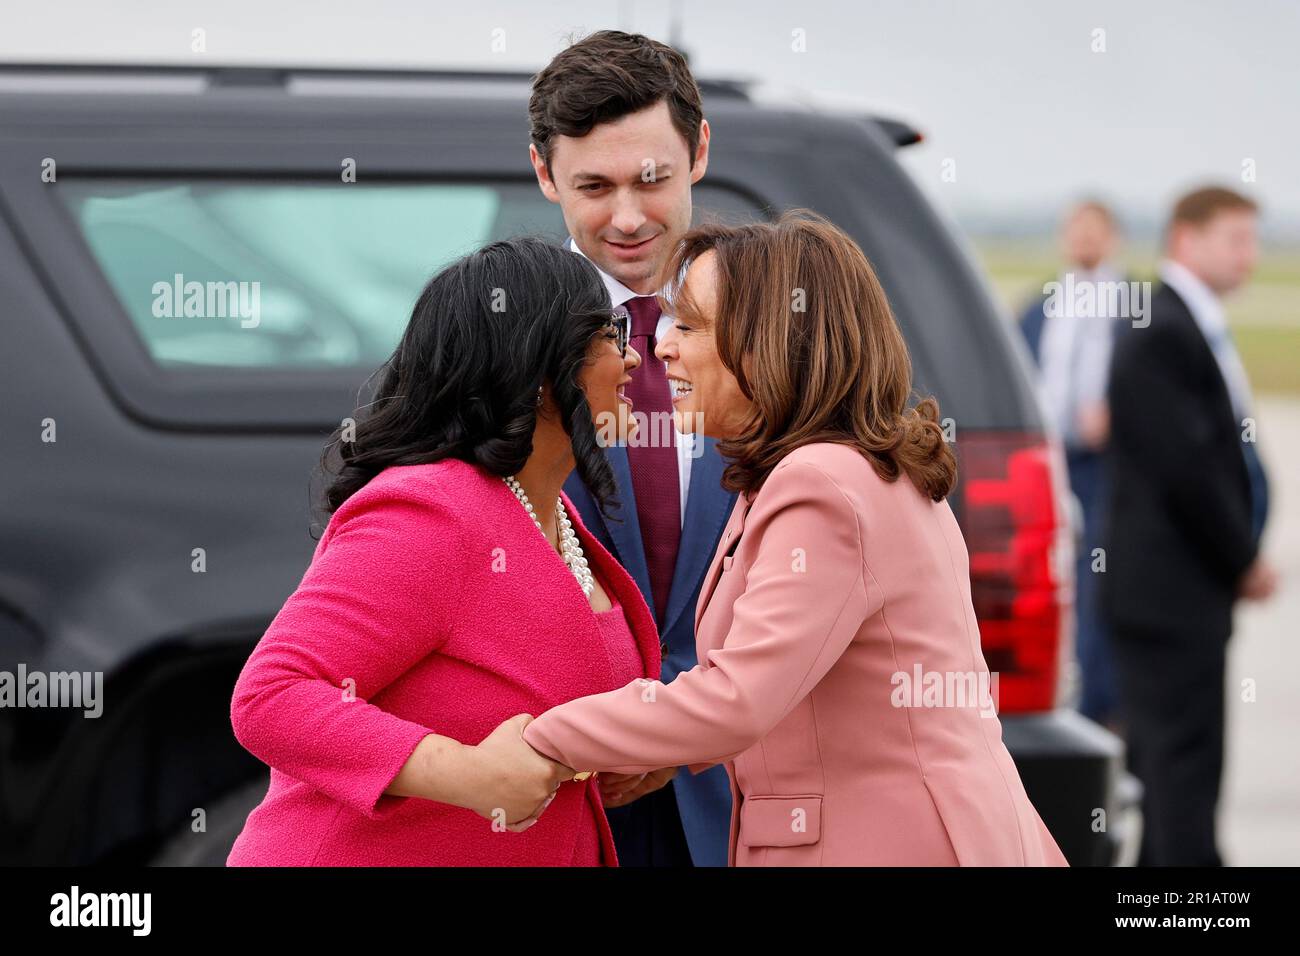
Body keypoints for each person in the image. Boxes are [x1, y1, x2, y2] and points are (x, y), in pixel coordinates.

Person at [519, 211, 1070, 866]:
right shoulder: (841, 467)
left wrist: (542, 739)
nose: (661, 346)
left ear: (767, 345)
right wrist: (671, 749)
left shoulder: (822, 484)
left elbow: (739, 697)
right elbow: (797, 685)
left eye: (690, 325)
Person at [226, 237, 654, 866]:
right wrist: (469, 774)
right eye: (609, 333)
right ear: (538, 367)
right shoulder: (432, 510)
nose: (632, 360)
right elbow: (272, 697)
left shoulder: (552, 515)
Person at [527, 30, 737, 866]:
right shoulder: (498, 337)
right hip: (566, 805)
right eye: (593, 185)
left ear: (699, 152)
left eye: (650, 178)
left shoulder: (788, 327)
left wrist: (688, 735)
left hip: (750, 806)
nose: (626, 216)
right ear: (544, 174)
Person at [1102, 186, 1277, 866]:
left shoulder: (1184, 323)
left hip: (1179, 594)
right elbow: (1188, 471)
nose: (1250, 257)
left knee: (1172, 773)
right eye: (1236, 239)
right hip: (1169, 596)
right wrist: (1242, 558)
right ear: (1186, 240)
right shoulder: (1163, 329)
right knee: (1182, 782)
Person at [1018, 200, 1127, 728]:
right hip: (1052, 460)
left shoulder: (1132, 306)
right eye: (1076, 229)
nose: (1084, 239)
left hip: (1105, 465)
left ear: (1113, 239)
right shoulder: (1041, 306)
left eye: (1094, 231)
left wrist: (1119, 414)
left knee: (1099, 575)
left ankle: (1101, 701)